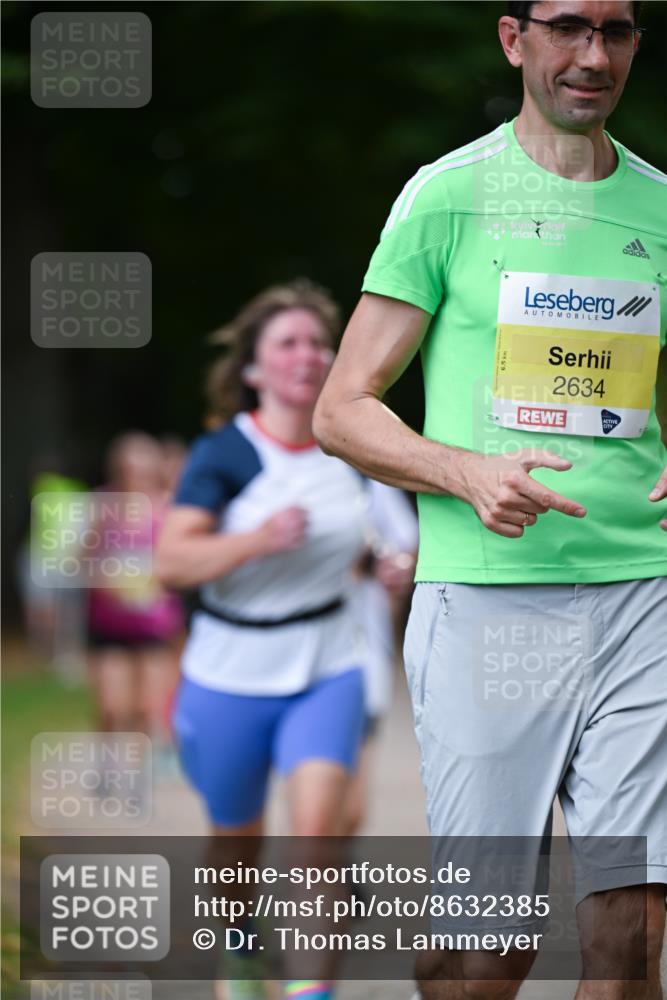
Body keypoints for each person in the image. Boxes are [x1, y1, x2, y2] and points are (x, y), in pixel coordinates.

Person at [313, 2, 666, 997]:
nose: (591, 55)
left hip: (645, 591)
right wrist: (465, 471)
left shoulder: (661, 208)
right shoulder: (446, 198)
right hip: (486, 596)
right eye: (566, 27)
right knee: (486, 949)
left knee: (631, 932)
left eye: (617, 31)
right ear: (514, 40)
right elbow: (342, 410)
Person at [156, 280, 370, 1000]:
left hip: (327, 665)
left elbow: (373, 542)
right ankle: (241, 948)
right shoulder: (226, 454)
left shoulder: (353, 446)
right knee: (235, 849)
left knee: (316, 842)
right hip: (229, 674)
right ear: (253, 368)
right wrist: (255, 540)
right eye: (288, 343)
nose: (307, 355)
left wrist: (393, 565)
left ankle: (312, 994)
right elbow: (172, 561)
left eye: (318, 341)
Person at [87, 433, 184, 755]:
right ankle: (108, 763)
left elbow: (183, 563)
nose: (134, 477)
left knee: (146, 709)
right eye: (127, 469)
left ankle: (133, 777)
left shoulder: (170, 508)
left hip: (154, 625)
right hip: (109, 623)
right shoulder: (102, 506)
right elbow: (79, 561)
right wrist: (101, 576)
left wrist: (161, 577)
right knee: (112, 708)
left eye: (141, 469)